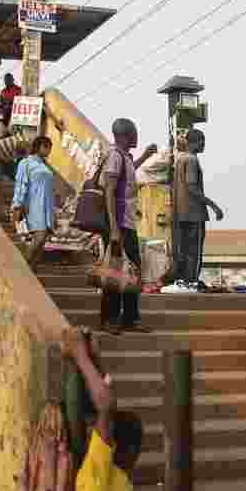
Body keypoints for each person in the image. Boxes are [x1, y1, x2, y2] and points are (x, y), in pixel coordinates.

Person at [63, 327, 143, 491]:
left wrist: (96, 359)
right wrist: (80, 354)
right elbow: (106, 407)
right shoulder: (98, 474)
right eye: (136, 447)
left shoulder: (120, 479)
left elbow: (109, 405)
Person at [101, 118, 158, 334]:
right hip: (118, 224)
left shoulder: (123, 157)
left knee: (132, 270)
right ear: (125, 135)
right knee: (116, 273)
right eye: (134, 133)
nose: (136, 136)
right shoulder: (114, 156)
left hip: (127, 223)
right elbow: (109, 190)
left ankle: (130, 318)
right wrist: (114, 228)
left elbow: (128, 175)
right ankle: (110, 319)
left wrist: (144, 156)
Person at [172, 129, 224, 288]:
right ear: (196, 142)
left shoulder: (180, 159)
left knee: (183, 250)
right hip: (194, 214)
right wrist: (214, 206)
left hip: (181, 214)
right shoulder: (192, 160)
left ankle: (183, 281)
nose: (204, 145)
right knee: (194, 251)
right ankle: (192, 281)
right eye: (203, 141)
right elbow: (192, 187)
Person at [12, 136, 58, 271]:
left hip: (47, 206)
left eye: (50, 147)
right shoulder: (25, 163)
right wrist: (17, 204)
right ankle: (23, 267)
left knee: (43, 240)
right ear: (39, 147)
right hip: (32, 204)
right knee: (40, 236)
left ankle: (32, 270)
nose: (49, 150)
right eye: (46, 147)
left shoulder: (45, 165)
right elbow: (20, 185)